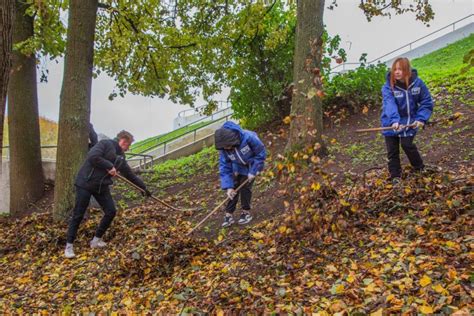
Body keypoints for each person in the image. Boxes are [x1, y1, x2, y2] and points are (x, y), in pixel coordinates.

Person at [64, 130, 151, 258]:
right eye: (128, 145)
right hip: (86, 183)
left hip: (101, 186)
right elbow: (93, 157)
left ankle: (96, 240)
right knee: (78, 214)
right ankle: (69, 246)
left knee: (111, 211)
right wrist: (109, 166)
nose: (128, 148)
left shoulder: (121, 158)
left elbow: (130, 174)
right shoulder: (105, 144)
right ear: (123, 141)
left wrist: (143, 188)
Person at [380, 57, 434, 184]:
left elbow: (426, 102)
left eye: (400, 69)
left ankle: (419, 168)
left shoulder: (418, 84)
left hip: (409, 122)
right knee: (392, 151)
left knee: (407, 145)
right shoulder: (388, 87)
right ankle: (395, 177)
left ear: (407, 70)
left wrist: (421, 118)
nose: (397, 72)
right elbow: (389, 103)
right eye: (395, 69)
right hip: (390, 122)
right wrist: (394, 121)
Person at [214, 121, 266, 227]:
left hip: (251, 166)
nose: (227, 149)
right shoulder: (224, 148)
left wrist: (253, 171)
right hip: (236, 168)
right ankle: (228, 214)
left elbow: (260, 153)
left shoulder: (249, 137)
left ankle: (245, 212)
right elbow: (225, 166)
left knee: (245, 188)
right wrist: (228, 186)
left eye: (228, 146)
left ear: (233, 140)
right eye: (224, 147)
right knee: (233, 190)